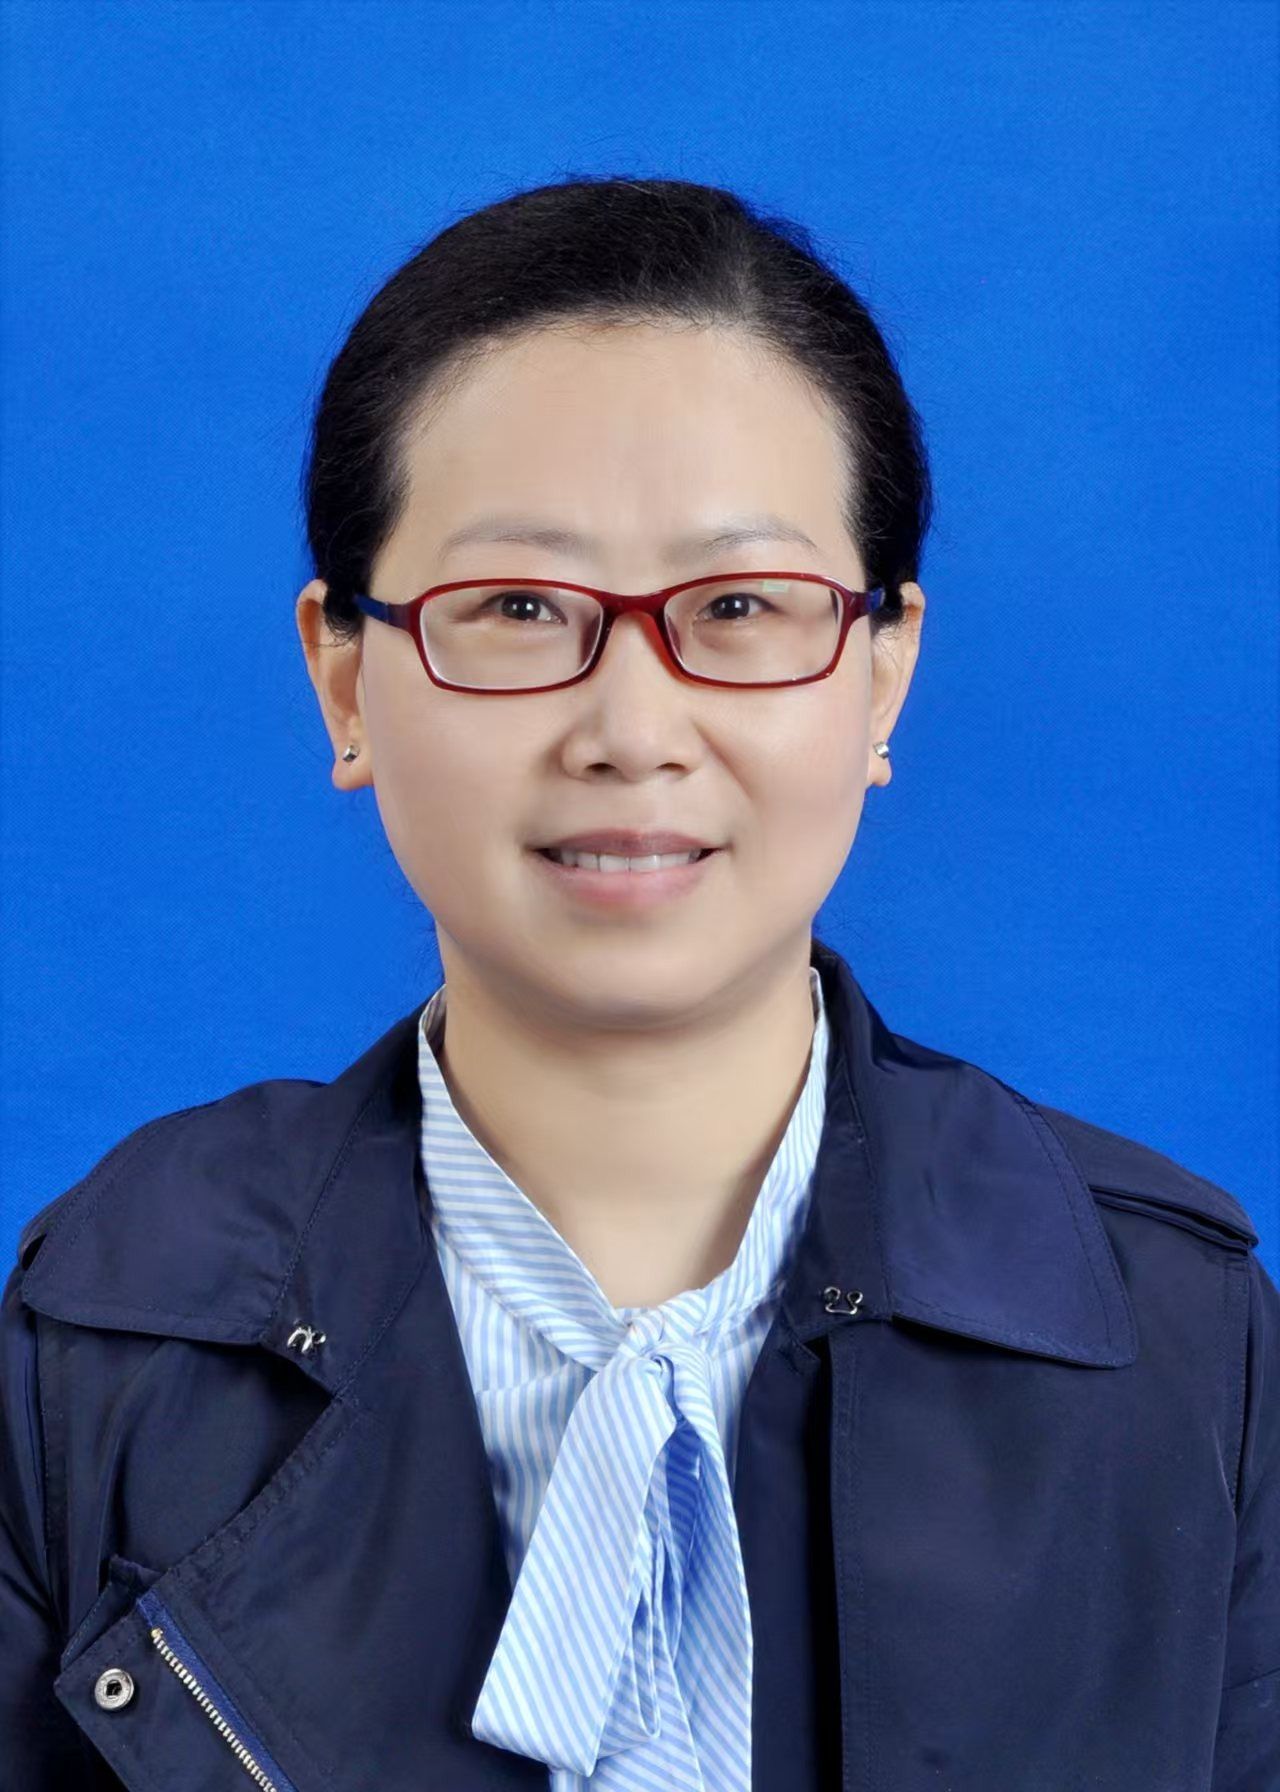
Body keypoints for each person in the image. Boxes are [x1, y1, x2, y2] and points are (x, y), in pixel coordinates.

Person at [1, 174, 1275, 1792]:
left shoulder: (1182, 1338)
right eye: (518, 608)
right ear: (346, 678)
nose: (630, 729)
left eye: (739, 608)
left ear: (885, 672)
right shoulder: (96, 1350)